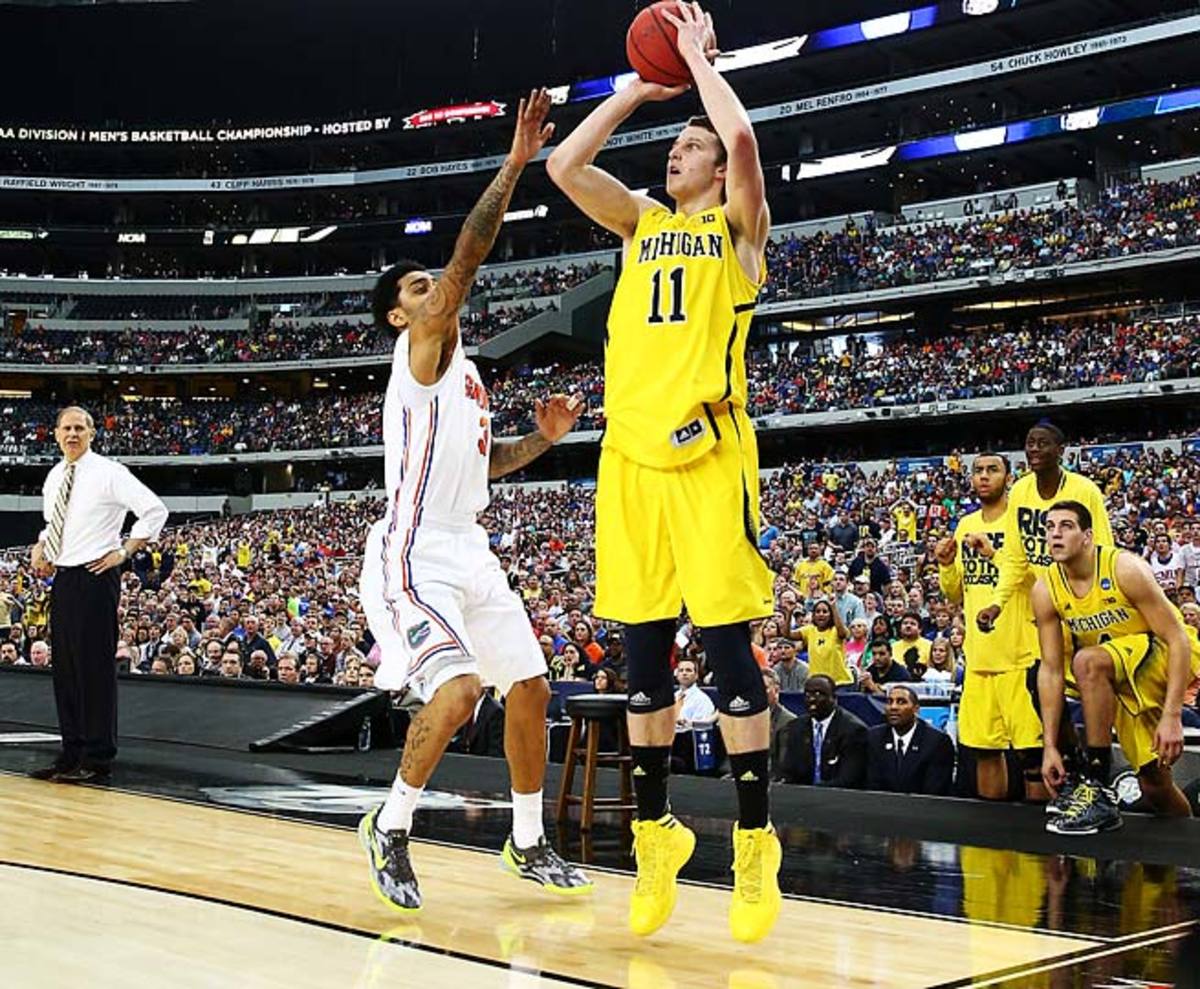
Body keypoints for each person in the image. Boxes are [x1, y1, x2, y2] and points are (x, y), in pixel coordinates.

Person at [548, 0, 780, 941]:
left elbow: (744, 138)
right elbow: (563, 166)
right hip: (629, 463)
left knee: (727, 660)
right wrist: (639, 88)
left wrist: (698, 63)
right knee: (642, 671)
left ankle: (757, 847)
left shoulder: (738, 234)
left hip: (710, 455)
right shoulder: (642, 223)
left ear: (717, 172)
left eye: (689, 144)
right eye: (675, 143)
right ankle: (655, 838)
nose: (676, 152)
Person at [357, 89, 592, 914]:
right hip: (413, 548)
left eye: (433, 286)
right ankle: (389, 825)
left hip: (469, 542)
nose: (437, 290)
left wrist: (548, 441)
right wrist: (515, 161)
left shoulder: (466, 373)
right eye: (419, 287)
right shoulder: (419, 350)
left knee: (528, 687)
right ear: (399, 314)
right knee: (456, 692)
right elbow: (465, 259)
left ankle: (527, 841)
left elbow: (487, 469)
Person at [1033, 501, 1200, 834]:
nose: (1055, 534)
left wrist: (1172, 716)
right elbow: (1051, 671)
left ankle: (1096, 786)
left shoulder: (1124, 568)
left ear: (1087, 536)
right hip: (1118, 670)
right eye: (1049, 527)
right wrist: (1049, 747)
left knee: (1087, 660)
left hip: (1163, 654)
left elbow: (1177, 638)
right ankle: (1191, 853)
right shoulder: (1044, 588)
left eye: (1066, 526)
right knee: (1154, 783)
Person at [976, 421, 1112, 813]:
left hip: (1085, 605)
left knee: (1091, 685)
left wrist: (1093, 608)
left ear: (1061, 449)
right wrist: (998, 603)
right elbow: (1017, 559)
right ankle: (1074, 776)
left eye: (1043, 443)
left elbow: (1101, 549)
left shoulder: (1083, 490)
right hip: (1047, 602)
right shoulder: (1020, 491)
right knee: (1042, 686)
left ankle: (1099, 782)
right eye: (1029, 443)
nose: (1034, 449)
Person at [28, 406, 167, 784]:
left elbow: (155, 510)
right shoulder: (56, 475)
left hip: (96, 575)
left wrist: (123, 553)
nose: (72, 434)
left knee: (94, 670)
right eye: (66, 428)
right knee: (67, 671)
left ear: (92, 433)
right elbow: (52, 523)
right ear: (55, 434)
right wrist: (42, 547)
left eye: (79, 428)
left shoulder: (109, 473)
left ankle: (98, 757)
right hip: (64, 577)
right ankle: (70, 753)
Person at [937, 452, 1045, 802]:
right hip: (979, 659)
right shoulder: (966, 524)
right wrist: (946, 565)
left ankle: (1040, 843)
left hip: (1020, 655)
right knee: (984, 750)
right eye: (978, 471)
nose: (983, 476)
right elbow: (954, 592)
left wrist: (992, 555)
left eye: (992, 470)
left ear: (1009, 477)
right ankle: (993, 843)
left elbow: (1040, 582)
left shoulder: (1023, 521)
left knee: (1032, 754)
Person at [865, 685, 955, 795]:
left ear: (916, 709)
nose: (893, 707)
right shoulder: (874, 737)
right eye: (889, 702)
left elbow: (935, 790)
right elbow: (871, 783)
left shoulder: (937, 742)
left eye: (901, 702)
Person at [780, 674, 867, 788]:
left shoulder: (853, 730)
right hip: (801, 797)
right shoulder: (796, 727)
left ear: (834, 698)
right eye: (807, 694)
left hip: (839, 798)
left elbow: (849, 779)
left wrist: (817, 792)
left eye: (818, 694)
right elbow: (790, 772)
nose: (811, 699)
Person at [795, 598, 851, 687]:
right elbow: (787, 635)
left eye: (825, 612)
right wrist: (789, 612)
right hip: (817, 682)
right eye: (817, 611)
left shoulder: (836, 630)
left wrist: (833, 607)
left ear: (830, 614)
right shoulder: (809, 630)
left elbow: (843, 634)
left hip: (840, 683)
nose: (821, 614)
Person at [762, 667, 796, 780]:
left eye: (764, 688)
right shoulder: (746, 717)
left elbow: (783, 766)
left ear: (776, 690)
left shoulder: (788, 721)